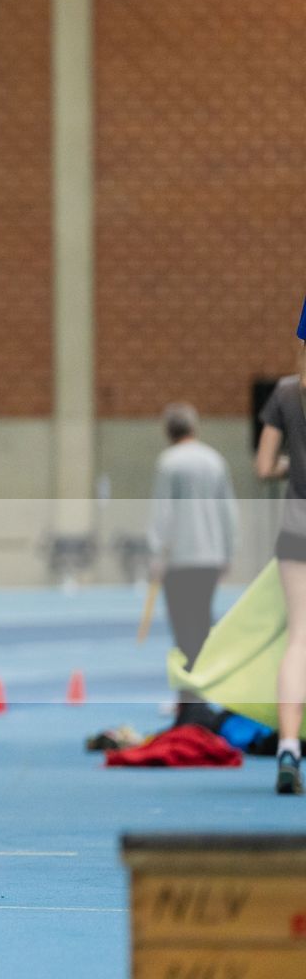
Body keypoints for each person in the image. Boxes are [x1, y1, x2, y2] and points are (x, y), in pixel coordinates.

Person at [149, 403, 238, 725]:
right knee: (202, 626)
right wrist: (228, 551)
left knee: (183, 630)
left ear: (167, 431)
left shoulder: (169, 462)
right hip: (210, 558)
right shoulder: (215, 460)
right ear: (194, 428)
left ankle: (189, 702)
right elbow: (228, 510)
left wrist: (157, 554)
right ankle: (201, 697)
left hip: (179, 560)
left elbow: (163, 513)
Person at [258, 338, 306, 794]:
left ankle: (288, 747)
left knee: (299, 639)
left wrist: (294, 466)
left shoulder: (287, 392)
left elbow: (262, 465)